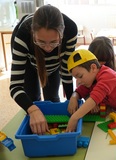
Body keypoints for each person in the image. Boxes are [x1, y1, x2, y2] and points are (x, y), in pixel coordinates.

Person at [9, 5, 78, 134]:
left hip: (54, 64)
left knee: (52, 98)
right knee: (32, 99)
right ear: (33, 33)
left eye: (53, 42)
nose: (47, 48)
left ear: (62, 34)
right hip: (29, 64)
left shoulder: (71, 30)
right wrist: (33, 110)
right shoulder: (23, 35)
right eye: (41, 42)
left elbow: (66, 72)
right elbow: (15, 87)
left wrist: (72, 103)